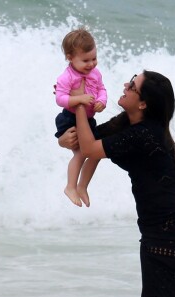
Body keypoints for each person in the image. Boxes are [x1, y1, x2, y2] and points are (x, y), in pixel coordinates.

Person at [59, 71, 175, 297]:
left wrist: (81, 104)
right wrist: (62, 137)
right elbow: (89, 138)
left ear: (143, 103)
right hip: (163, 227)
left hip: (168, 229)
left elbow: (89, 149)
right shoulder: (126, 123)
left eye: (132, 85)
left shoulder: (144, 134)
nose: (125, 84)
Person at [55, 28, 107, 207]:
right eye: (85, 60)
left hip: (88, 120)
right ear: (70, 57)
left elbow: (102, 89)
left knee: (96, 153)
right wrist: (79, 99)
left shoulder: (95, 73)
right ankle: (70, 187)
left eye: (94, 58)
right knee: (80, 153)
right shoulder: (66, 77)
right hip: (69, 119)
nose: (91, 64)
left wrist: (101, 101)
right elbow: (60, 99)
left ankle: (82, 186)